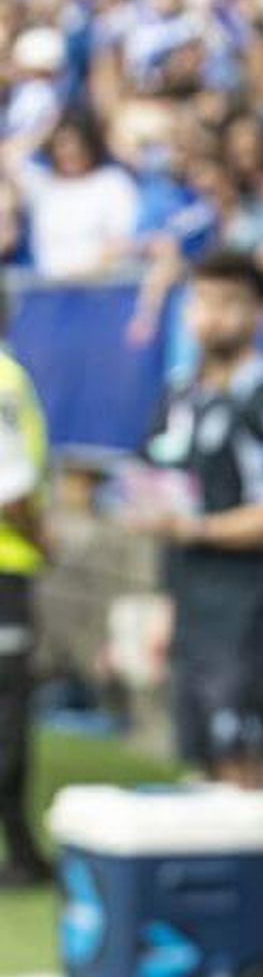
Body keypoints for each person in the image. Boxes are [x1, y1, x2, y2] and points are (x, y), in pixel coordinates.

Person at [135, 250, 263, 793]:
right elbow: (161, 492)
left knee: (252, 771)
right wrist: (164, 604)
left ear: (258, 313)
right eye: (202, 300)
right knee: (204, 771)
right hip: (192, 610)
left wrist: (200, 531)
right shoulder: (180, 393)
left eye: (229, 302)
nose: (213, 315)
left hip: (250, 612)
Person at [0, 341, 49, 888]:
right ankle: (21, 851)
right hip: (5, 570)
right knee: (8, 717)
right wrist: (43, 538)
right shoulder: (6, 380)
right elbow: (11, 487)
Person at [0, 110, 138, 279]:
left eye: (78, 144)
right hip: (45, 292)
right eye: (63, 144)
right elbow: (6, 156)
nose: (70, 152)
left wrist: (84, 273)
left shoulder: (112, 183)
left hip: (97, 288)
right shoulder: (43, 186)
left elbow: (121, 243)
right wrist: (48, 128)